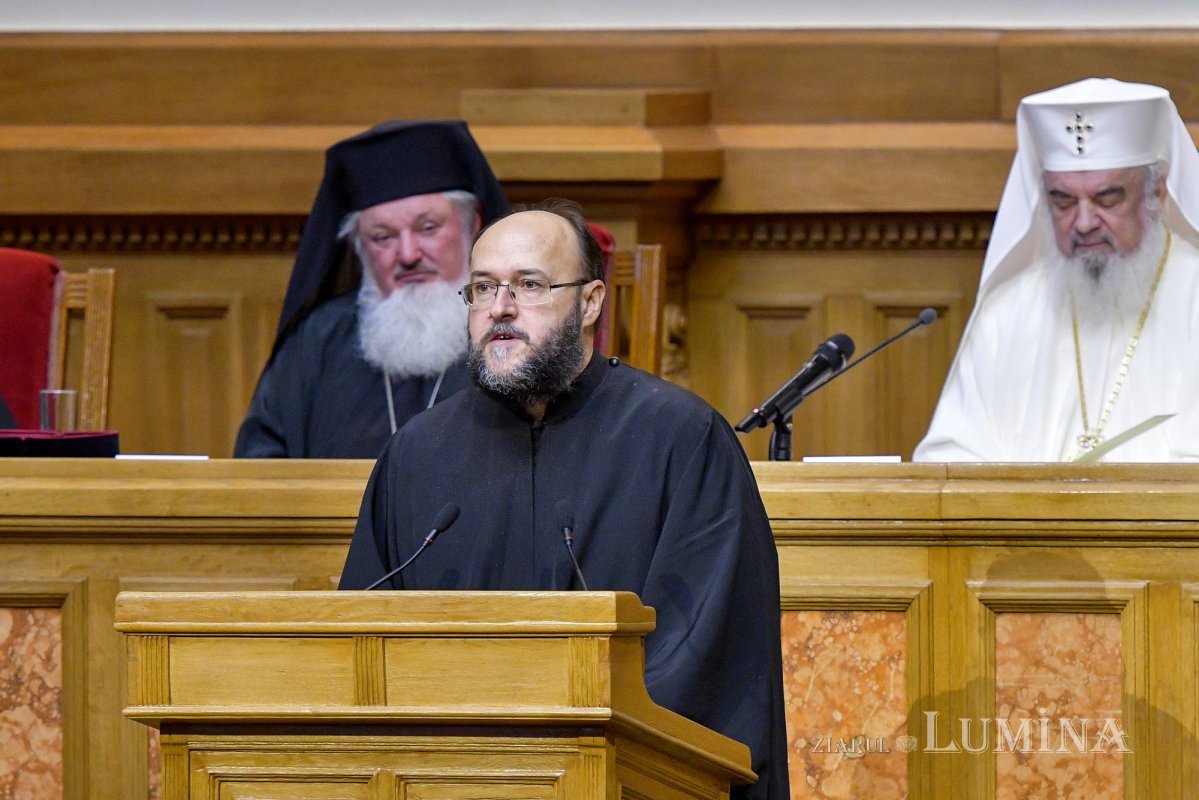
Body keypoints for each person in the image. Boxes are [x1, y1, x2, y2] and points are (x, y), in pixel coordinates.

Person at [339, 201, 789, 799]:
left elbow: (705, 658)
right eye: (482, 289)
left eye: (529, 285)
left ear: (592, 302)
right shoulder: (416, 456)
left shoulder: (680, 440)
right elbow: (362, 647)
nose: (500, 308)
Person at [914, 78, 1199, 462]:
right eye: (1063, 201)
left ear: (1157, 192)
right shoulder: (1010, 310)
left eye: (1107, 198)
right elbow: (949, 453)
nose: (1083, 223)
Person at [234, 120, 510, 458]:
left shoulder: (516, 330)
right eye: (383, 237)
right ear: (359, 247)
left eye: (428, 228)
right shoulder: (318, 340)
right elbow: (260, 465)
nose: (408, 254)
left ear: (474, 222)